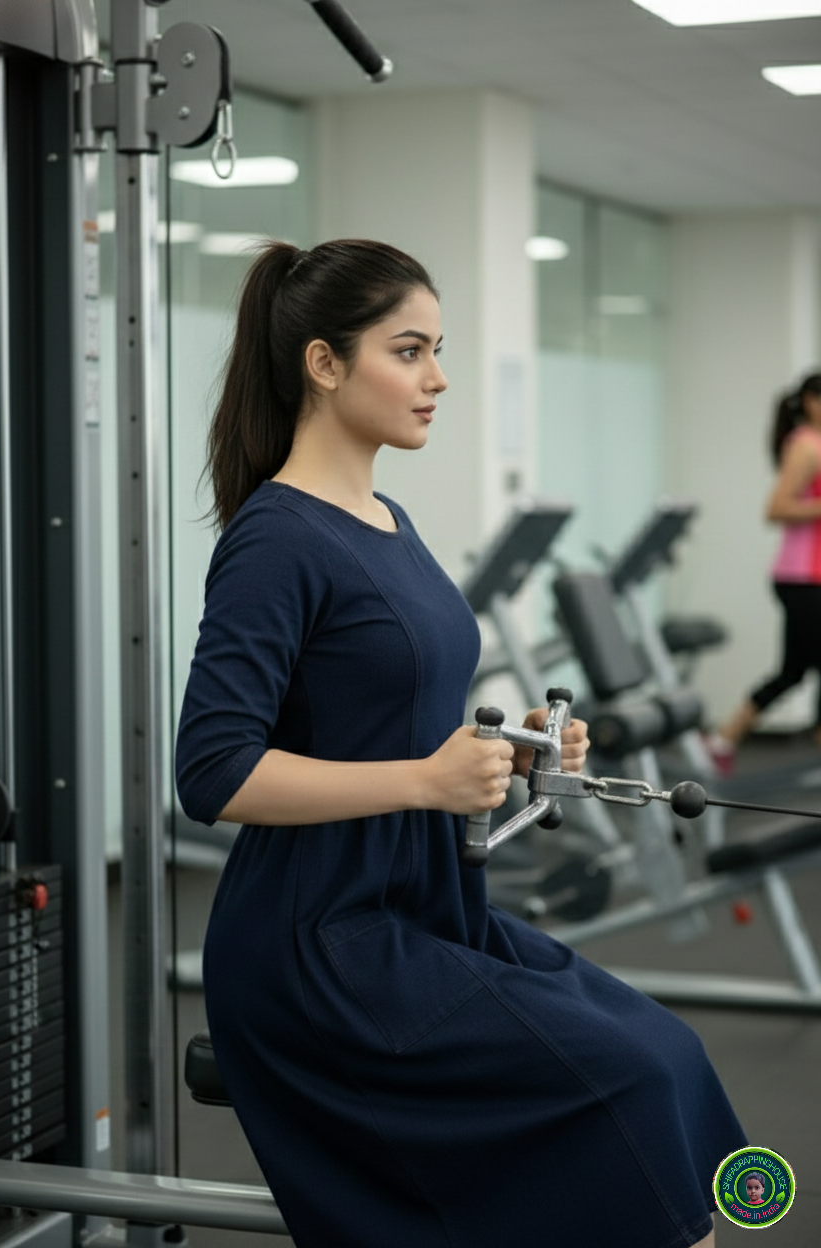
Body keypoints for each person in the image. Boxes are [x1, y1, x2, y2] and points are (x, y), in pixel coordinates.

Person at [176, 238, 745, 1248]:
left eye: (439, 350)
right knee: (625, 1083)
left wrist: (520, 746)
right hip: (321, 947)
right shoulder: (274, 540)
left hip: (426, 906)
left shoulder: (385, 516)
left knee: (666, 1050)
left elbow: (392, 717)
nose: (437, 379)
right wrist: (426, 777)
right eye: (408, 351)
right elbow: (213, 771)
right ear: (323, 363)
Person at [709, 372, 821, 771]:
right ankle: (724, 738)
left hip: (813, 577)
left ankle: (724, 738)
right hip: (801, 577)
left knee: (796, 670)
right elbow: (776, 508)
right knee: (797, 671)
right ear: (810, 401)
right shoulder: (805, 446)